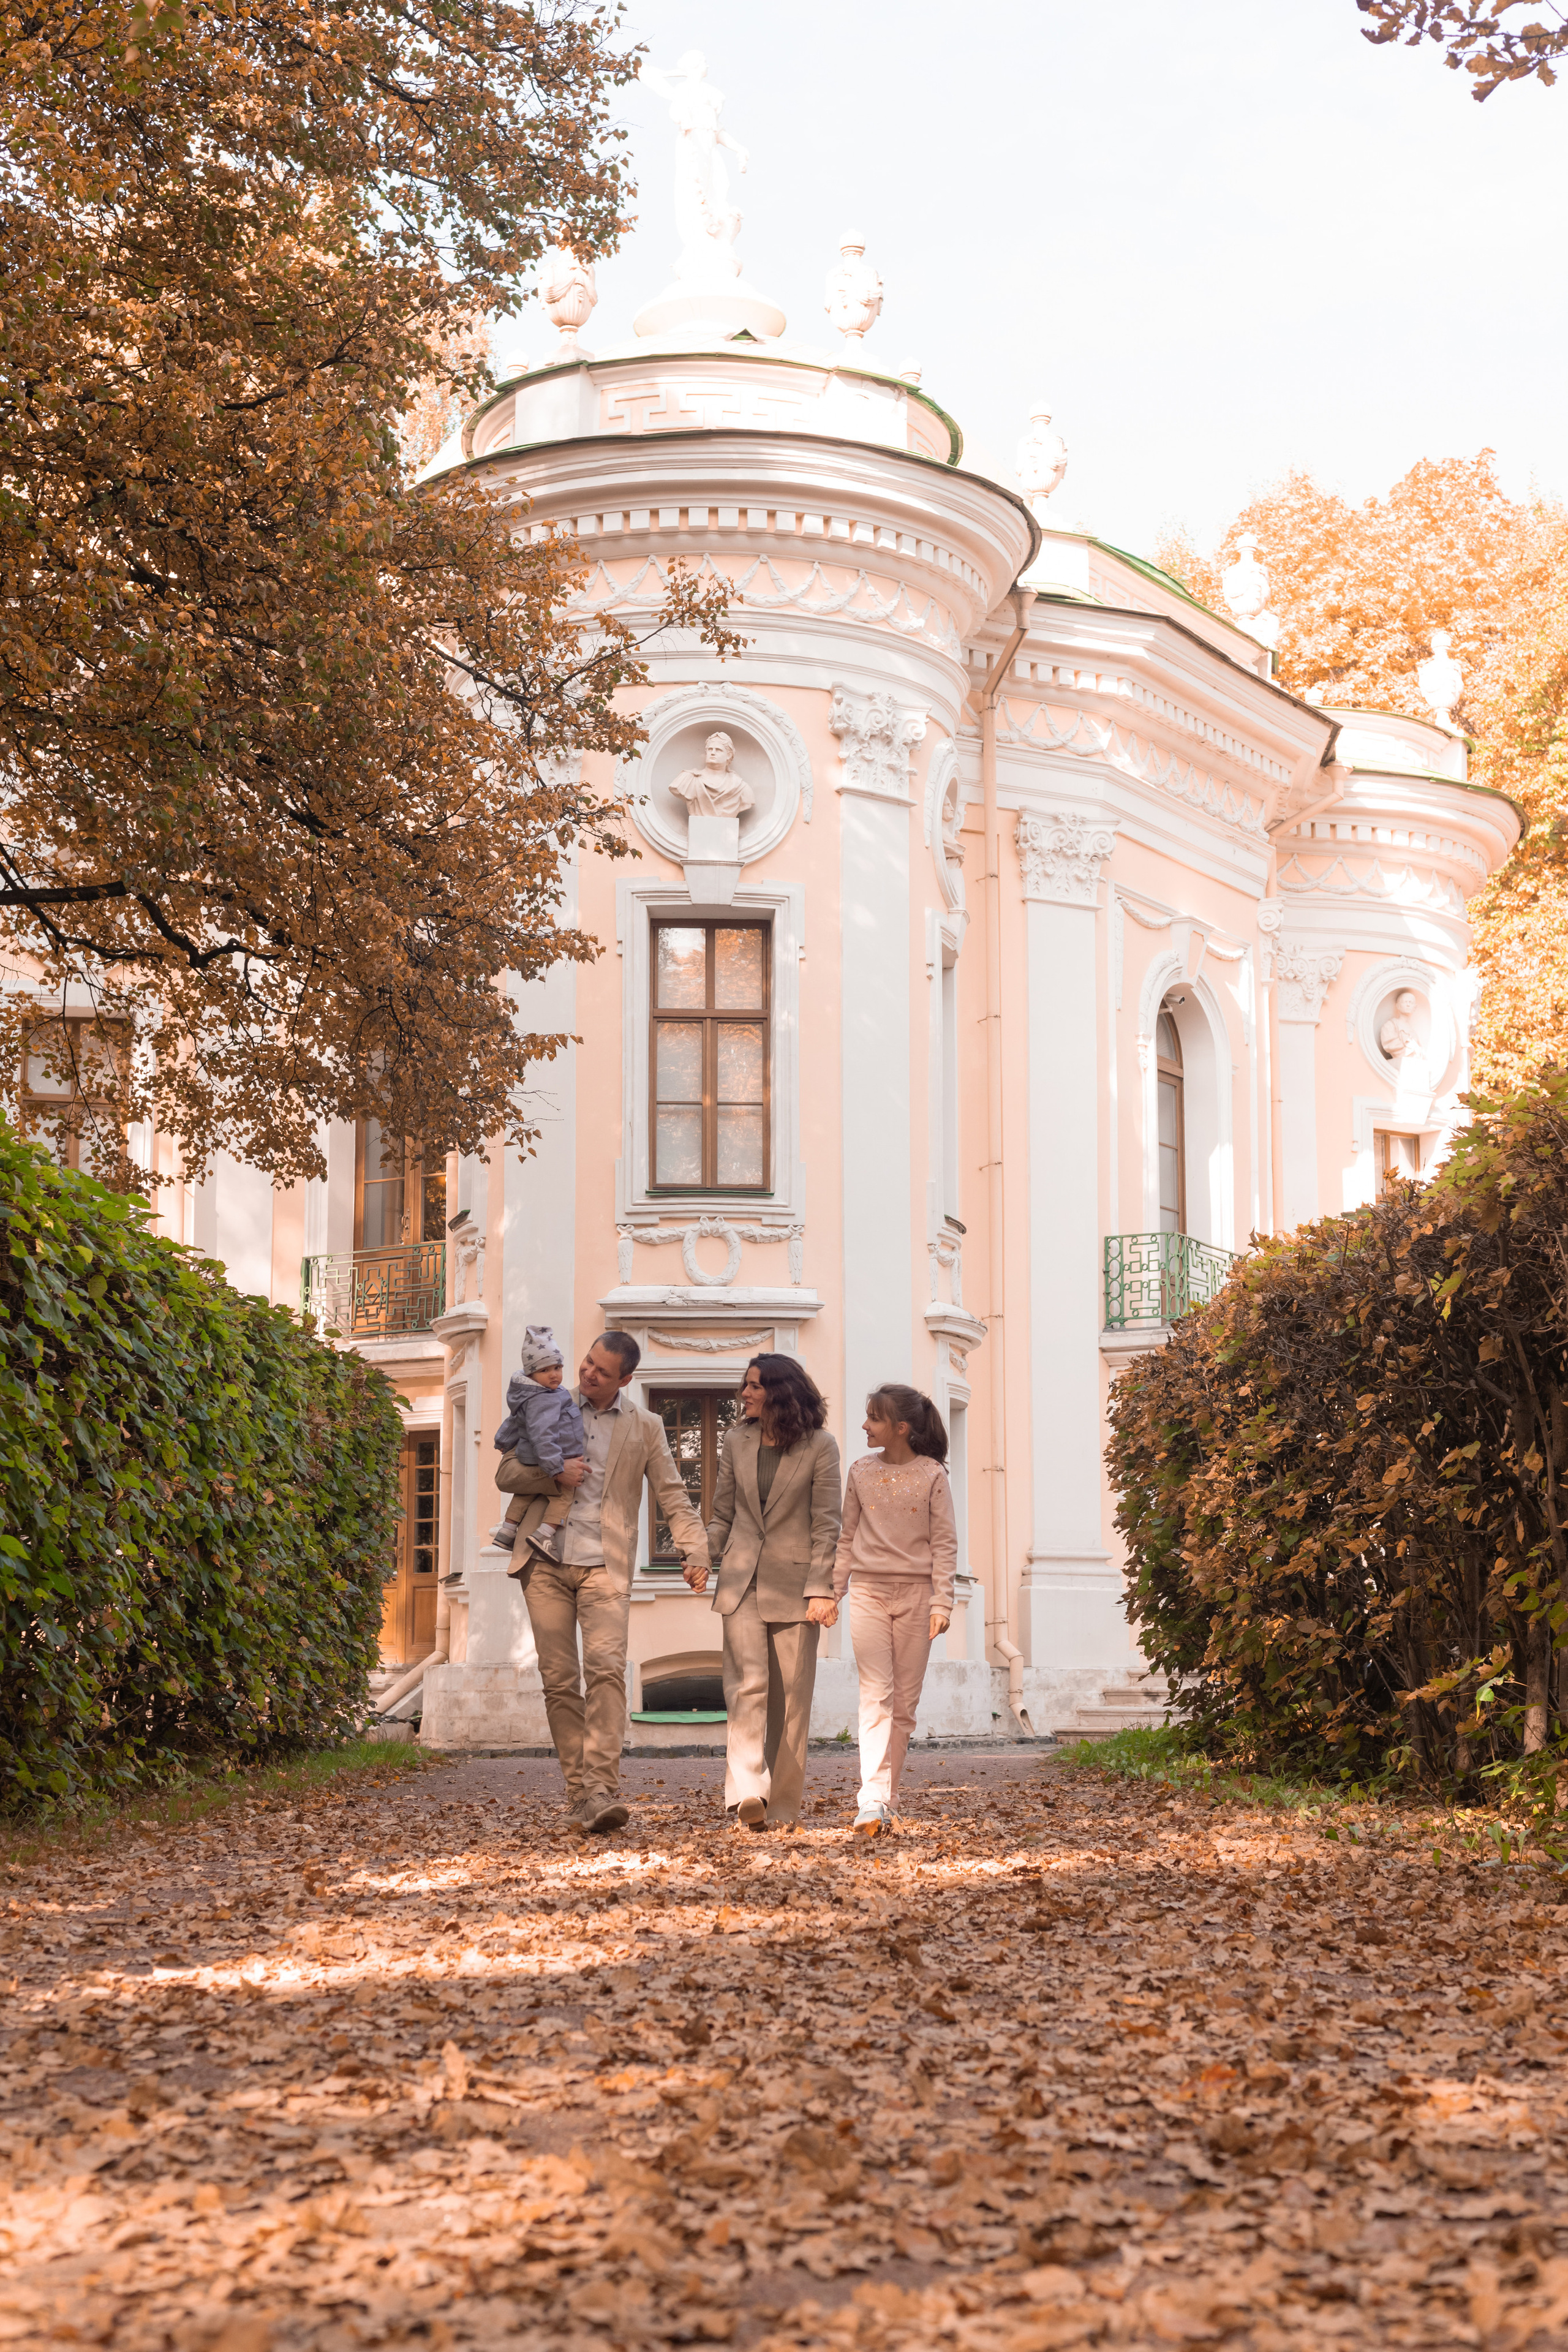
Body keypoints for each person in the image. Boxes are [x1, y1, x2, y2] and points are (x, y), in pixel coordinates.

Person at [496, 1332, 709, 1836]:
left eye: (602, 1371)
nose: (588, 1374)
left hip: (605, 1565)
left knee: (608, 1673)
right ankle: (578, 1794)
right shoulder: (544, 1400)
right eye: (587, 1362)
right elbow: (506, 1473)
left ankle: (600, 1790)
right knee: (560, 1681)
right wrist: (554, 1476)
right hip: (543, 1560)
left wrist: (694, 1549)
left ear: (625, 1380)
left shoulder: (647, 1426)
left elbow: (673, 1494)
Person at [685, 1354, 841, 1830]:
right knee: (744, 1689)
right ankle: (749, 1792)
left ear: (781, 1391)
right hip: (741, 1581)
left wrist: (821, 1588)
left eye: (754, 1386)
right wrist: (701, 1556)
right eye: (745, 1386)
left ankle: (785, 1806)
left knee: (791, 1702)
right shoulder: (736, 1440)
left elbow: (826, 1524)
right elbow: (724, 1513)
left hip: (798, 1588)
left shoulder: (821, 1447)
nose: (744, 1394)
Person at [832, 1384, 957, 1838]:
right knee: (876, 1695)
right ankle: (872, 1799)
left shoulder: (932, 1476)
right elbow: (846, 1537)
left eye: (874, 1418)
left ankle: (886, 1796)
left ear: (901, 1428)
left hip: (919, 1596)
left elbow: (944, 1544)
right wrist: (833, 1591)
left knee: (904, 1705)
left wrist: (942, 1601)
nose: (865, 1425)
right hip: (868, 1591)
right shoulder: (859, 1471)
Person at [489, 1325, 585, 1565]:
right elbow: (543, 1436)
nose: (554, 1375)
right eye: (545, 1370)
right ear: (532, 1374)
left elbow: (515, 1420)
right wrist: (557, 1469)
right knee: (564, 1495)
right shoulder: (545, 1398)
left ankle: (507, 1531)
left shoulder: (531, 1394)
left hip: (529, 1455)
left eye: (557, 1367)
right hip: (550, 1457)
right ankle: (545, 1535)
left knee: (525, 1493)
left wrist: (503, 1440)